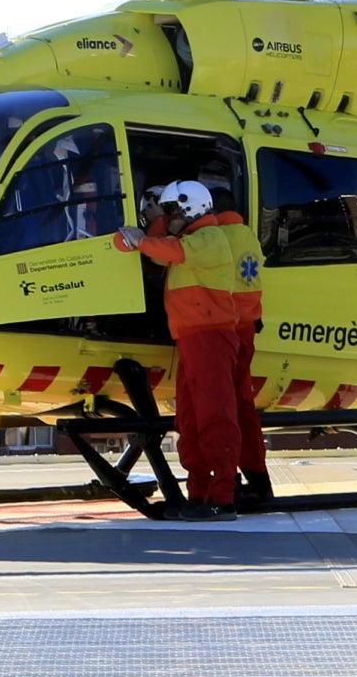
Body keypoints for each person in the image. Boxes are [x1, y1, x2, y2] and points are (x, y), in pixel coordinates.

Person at [116, 181, 270, 519]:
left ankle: (223, 496)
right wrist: (143, 234)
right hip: (192, 338)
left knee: (216, 413)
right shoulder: (193, 239)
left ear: (189, 210)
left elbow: (168, 251)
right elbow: (165, 250)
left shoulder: (209, 240)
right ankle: (199, 492)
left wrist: (140, 239)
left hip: (211, 338)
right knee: (189, 416)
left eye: (171, 213)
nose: (168, 220)